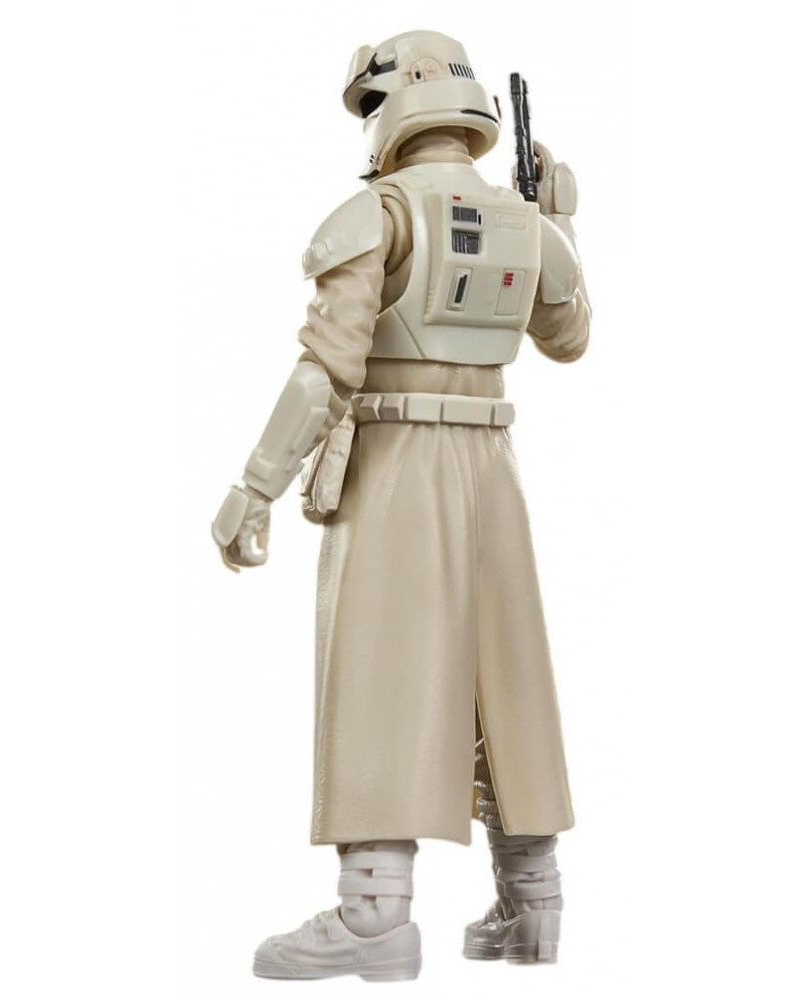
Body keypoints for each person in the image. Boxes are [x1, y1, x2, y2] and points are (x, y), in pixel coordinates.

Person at [212, 29, 591, 981]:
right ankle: (534, 905)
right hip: (493, 464)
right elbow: (570, 338)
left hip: (397, 457)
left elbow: (323, 373)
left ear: (394, 103)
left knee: (380, 668)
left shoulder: (377, 213)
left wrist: (254, 485)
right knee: (507, 678)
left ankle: (374, 914)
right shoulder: (522, 222)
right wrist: (561, 225)